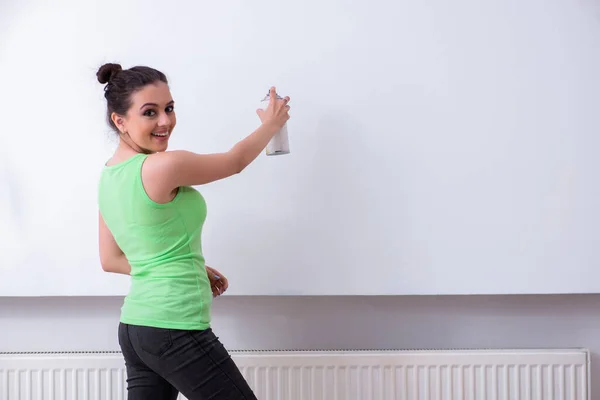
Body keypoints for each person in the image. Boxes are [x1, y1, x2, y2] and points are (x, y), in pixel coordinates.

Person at [96, 62, 290, 400]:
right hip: (174, 327)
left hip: (136, 329)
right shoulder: (162, 166)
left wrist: (189, 265)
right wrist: (271, 125)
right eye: (150, 112)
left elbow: (110, 259)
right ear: (120, 120)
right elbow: (234, 161)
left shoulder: (108, 177)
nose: (165, 121)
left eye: (169, 108)